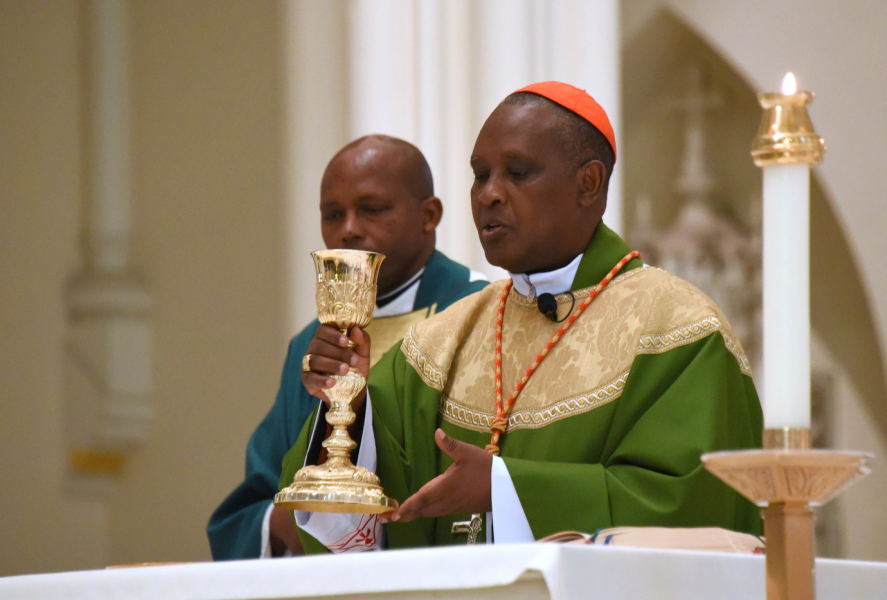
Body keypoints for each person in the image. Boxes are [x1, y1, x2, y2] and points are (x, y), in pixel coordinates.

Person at [282, 82, 763, 554]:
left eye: (518, 172)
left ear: (588, 184)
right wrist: (349, 404)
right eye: (480, 174)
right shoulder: (441, 341)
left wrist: (506, 489)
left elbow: (695, 511)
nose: (489, 193)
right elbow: (344, 521)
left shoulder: (676, 328)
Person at [207, 135, 488, 559]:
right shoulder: (312, 343)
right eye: (332, 214)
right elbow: (257, 499)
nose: (348, 229)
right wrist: (302, 521)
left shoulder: (476, 312)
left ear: (429, 215)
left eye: (372, 209)